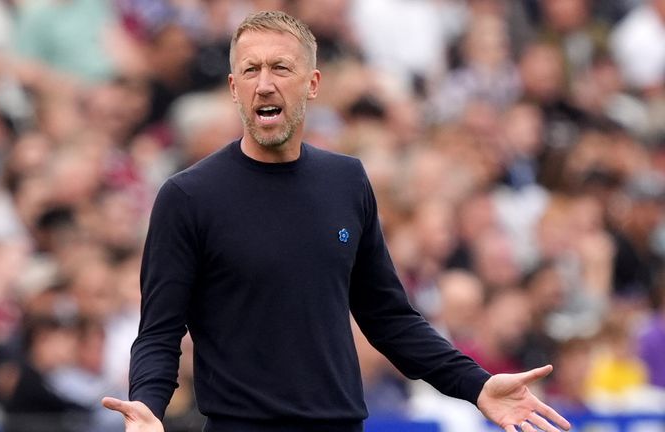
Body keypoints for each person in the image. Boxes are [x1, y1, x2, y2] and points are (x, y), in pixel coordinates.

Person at [102, 11, 572, 432]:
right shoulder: (187, 197)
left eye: (280, 67)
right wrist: (147, 408)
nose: (264, 83)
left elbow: (389, 318)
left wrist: (476, 384)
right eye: (250, 69)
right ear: (233, 87)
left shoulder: (346, 181)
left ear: (312, 83)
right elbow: (159, 333)